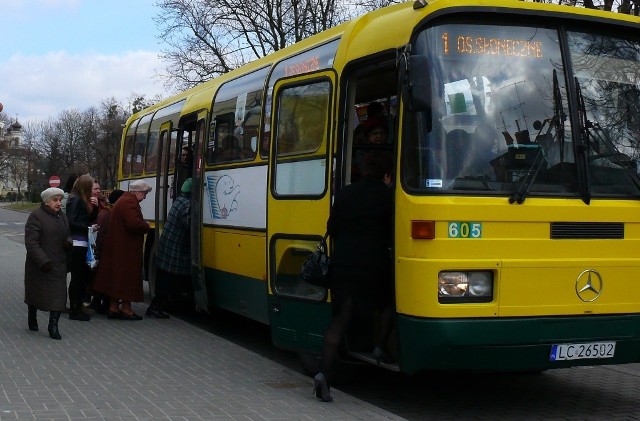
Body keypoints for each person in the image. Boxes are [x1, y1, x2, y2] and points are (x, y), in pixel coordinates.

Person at [313, 151, 394, 402]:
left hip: (345, 263)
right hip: (375, 264)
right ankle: (379, 348)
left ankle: (323, 374)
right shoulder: (389, 196)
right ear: (387, 175)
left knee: (340, 320)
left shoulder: (346, 193)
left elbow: (331, 228)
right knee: (387, 304)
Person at [92, 180, 151, 320]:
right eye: (145, 193)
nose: (145, 197)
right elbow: (133, 223)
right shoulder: (130, 202)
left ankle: (113, 308)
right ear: (137, 192)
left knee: (117, 280)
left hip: (118, 249)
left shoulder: (123, 200)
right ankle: (126, 309)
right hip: (126, 251)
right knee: (127, 280)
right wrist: (145, 225)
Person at [24, 187, 72, 340]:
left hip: (59, 263)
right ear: (46, 202)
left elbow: (67, 235)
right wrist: (43, 261)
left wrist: (68, 243)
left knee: (59, 295)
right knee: (36, 293)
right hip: (40, 265)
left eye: (60, 199)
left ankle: (53, 326)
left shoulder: (62, 216)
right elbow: (31, 243)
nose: (59, 203)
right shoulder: (36, 216)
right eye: (55, 200)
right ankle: (32, 316)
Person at [146, 178, 192, 319]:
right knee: (166, 281)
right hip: (175, 250)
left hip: (168, 247)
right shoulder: (187, 205)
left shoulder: (179, 201)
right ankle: (156, 308)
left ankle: (157, 307)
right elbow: (189, 224)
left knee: (165, 279)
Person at [65, 174, 99, 321]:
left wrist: (96, 208)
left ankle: (78, 307)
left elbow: (89, 218)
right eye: (92, 186)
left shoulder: (82, 199)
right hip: (77, 243)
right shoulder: (75, 199)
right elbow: (71, 222)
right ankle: (74, 309)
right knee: (78, 278)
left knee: (83, 277)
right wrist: (88, 228)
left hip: (83, 242)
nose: (94, 189)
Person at [88, 189, 125, 314]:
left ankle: (99, 302)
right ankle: (102, 303)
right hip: (104, 250)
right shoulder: (107, 213)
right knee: (103, 278)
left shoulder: (105, 213)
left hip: (102, 249)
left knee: (100, 278)